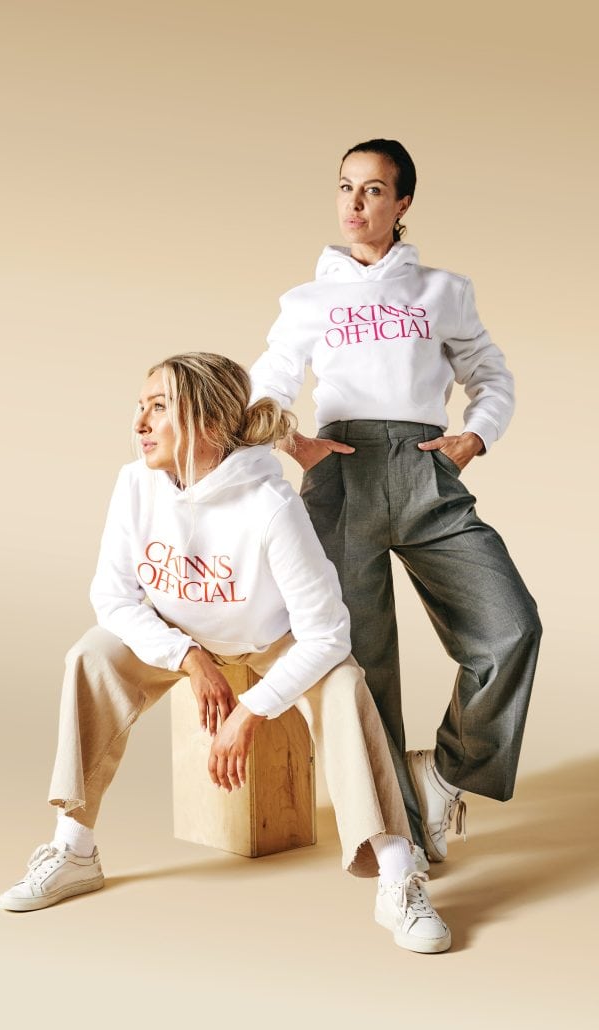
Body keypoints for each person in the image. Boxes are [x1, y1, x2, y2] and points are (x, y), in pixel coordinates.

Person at [0, 352, 451, 953]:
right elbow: (111, 596)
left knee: (344, 684)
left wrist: (251, 710)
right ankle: (74, 848)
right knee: (91, 656)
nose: (139, 423)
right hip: (176, 634)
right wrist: (188, 657)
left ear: (210, 423)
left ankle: (398, 873)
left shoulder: (270, 506)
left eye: (159, 408)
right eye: (140, 407)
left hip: (268, 641)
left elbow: (326, 633)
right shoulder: (134, 484)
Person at [249, 138, 542, 867]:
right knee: (362, 663)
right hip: (342, 474)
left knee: (510, 628)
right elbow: (266, 387)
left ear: (403, 202)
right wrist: (292, 442)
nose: (355, 203)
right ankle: (399, 837)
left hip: (425, 472)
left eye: (374, 190)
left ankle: (443, 776)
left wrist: (476, 435)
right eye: (346, 187)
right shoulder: (307, 301)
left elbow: (491, 375)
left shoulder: (443, 291)